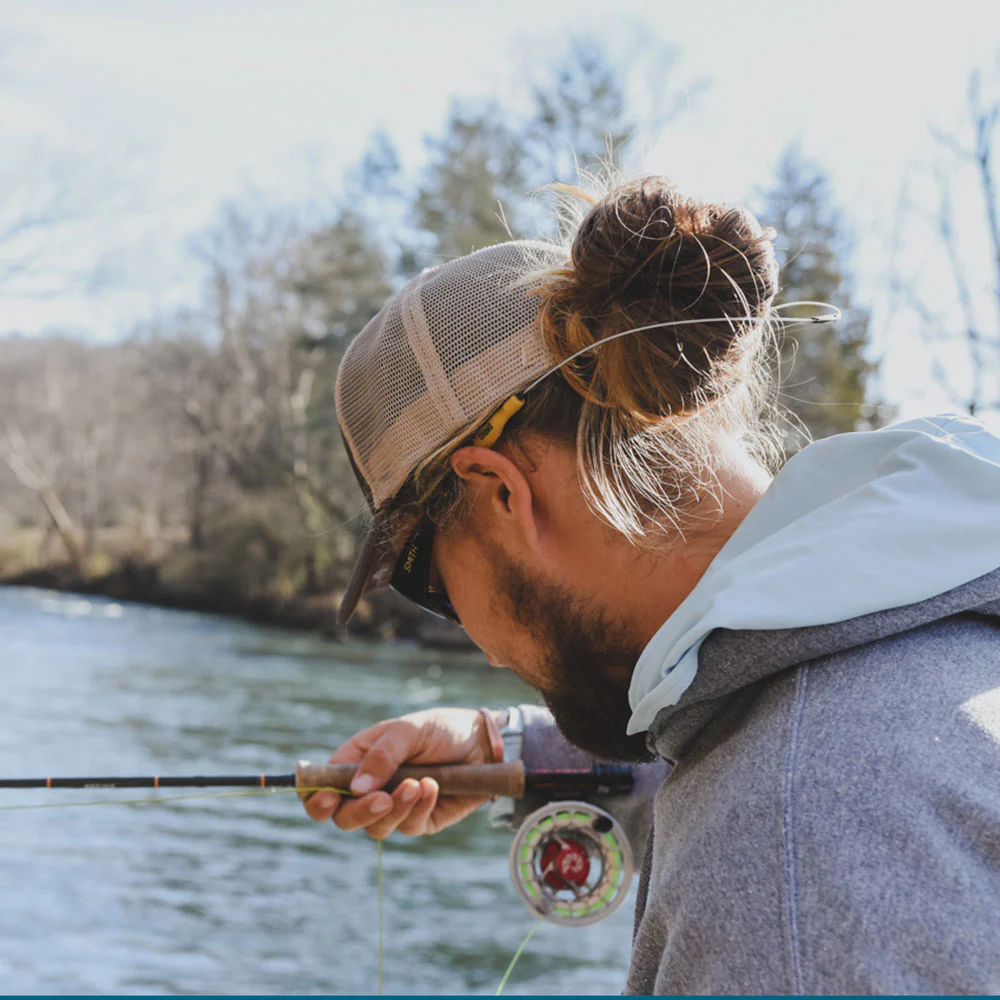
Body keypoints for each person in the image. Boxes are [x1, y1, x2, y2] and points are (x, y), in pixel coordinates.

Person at [302, 175, 1000, 994]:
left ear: (499, 494)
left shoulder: (786, 857)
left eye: (429, 584)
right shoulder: (935, 602)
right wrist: (508, 750)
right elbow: (756, 748)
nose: (482, 648)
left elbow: (781, 806)